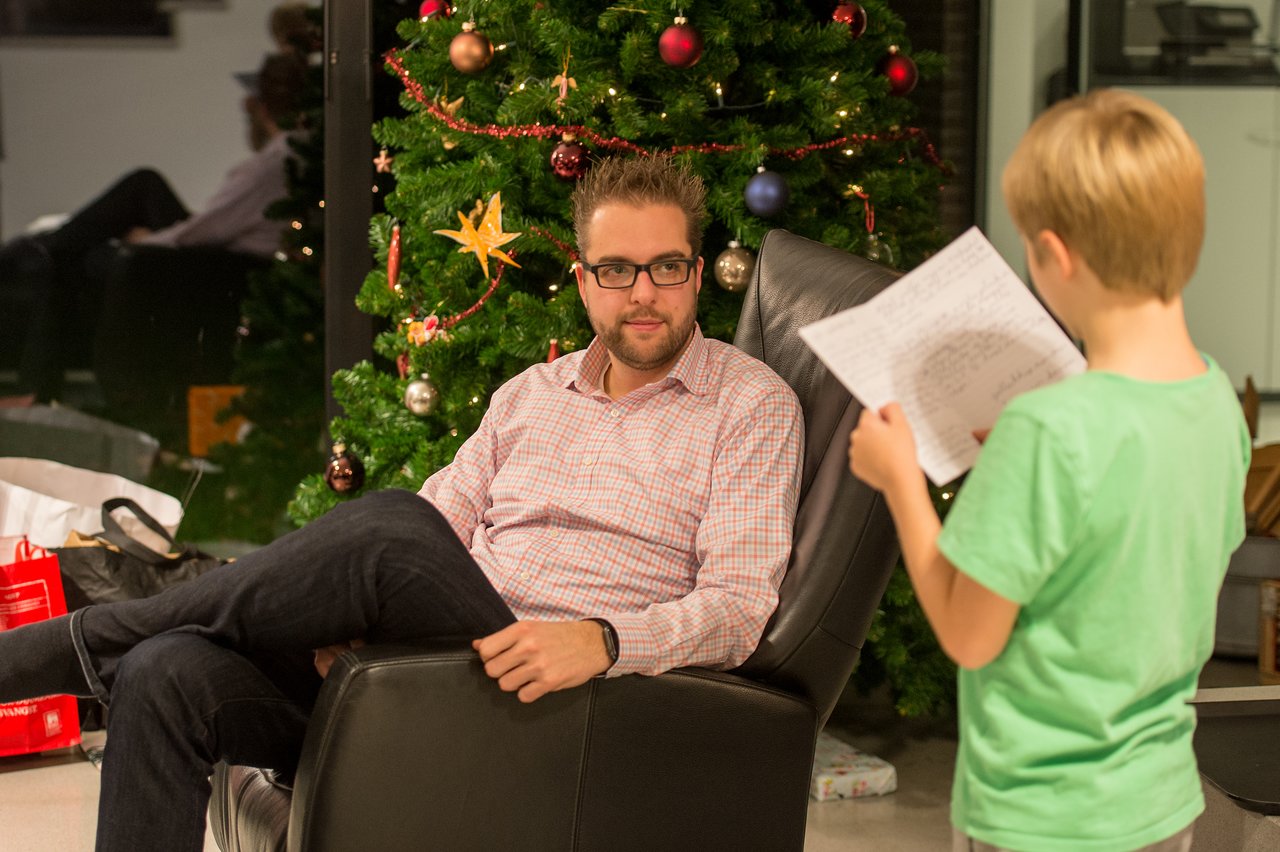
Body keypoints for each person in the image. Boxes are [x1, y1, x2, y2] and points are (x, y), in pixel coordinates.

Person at [0, 155, 803, 851]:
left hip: (558, 700)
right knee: (162, 670)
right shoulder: (532, 394)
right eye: (616, 270)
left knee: (394, 528)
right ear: (586, 280)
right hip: (425, 670)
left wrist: (602, 640)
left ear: (698, 272)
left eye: (665, 267)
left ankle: (58, 649)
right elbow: (441, 516)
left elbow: (737, 608)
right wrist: (345, 621)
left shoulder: (749, 406)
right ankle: (105, 644)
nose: (643, 294)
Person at [847, 89, 1249, 851]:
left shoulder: (1048, 430)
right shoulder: (1215, 403)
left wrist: (901, 481)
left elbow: (969, 637)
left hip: (1042, 816)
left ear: (1057, 257)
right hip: (1159, 802)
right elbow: (1140, 558)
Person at [0, 51, 307, 401]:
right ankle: (45, 251)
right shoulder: (293, 152)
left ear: (260, 107)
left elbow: (206, 232)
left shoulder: (275, 161)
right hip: (223, 255)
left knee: (89, 253)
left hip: (223, 265)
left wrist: (146, 242)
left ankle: (38, 257)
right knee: (139, 192)